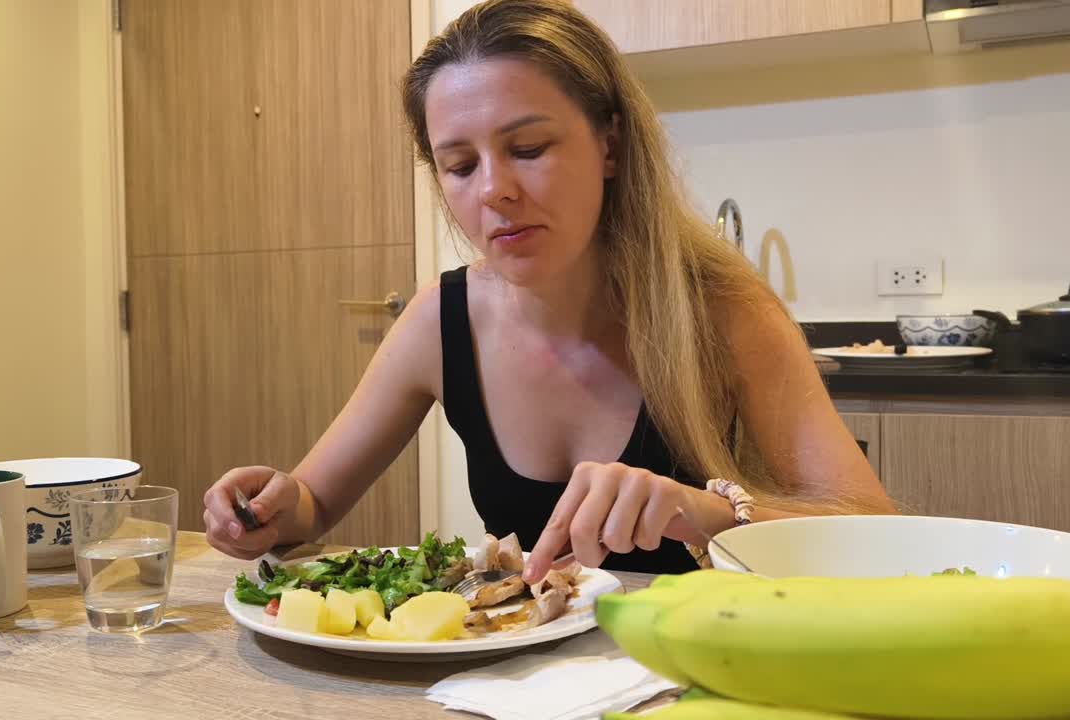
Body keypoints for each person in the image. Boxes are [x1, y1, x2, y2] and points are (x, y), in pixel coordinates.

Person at [202, 0, 895, 586]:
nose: (494, 191)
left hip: (695, 677)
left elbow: (881, 536)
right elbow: (313, 504)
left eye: (529, 148)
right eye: (460, 165)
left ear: (611, 146)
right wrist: (267, 508)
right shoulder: (439, 322)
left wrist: (704, 512)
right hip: (517, 689)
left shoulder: (722, 311)